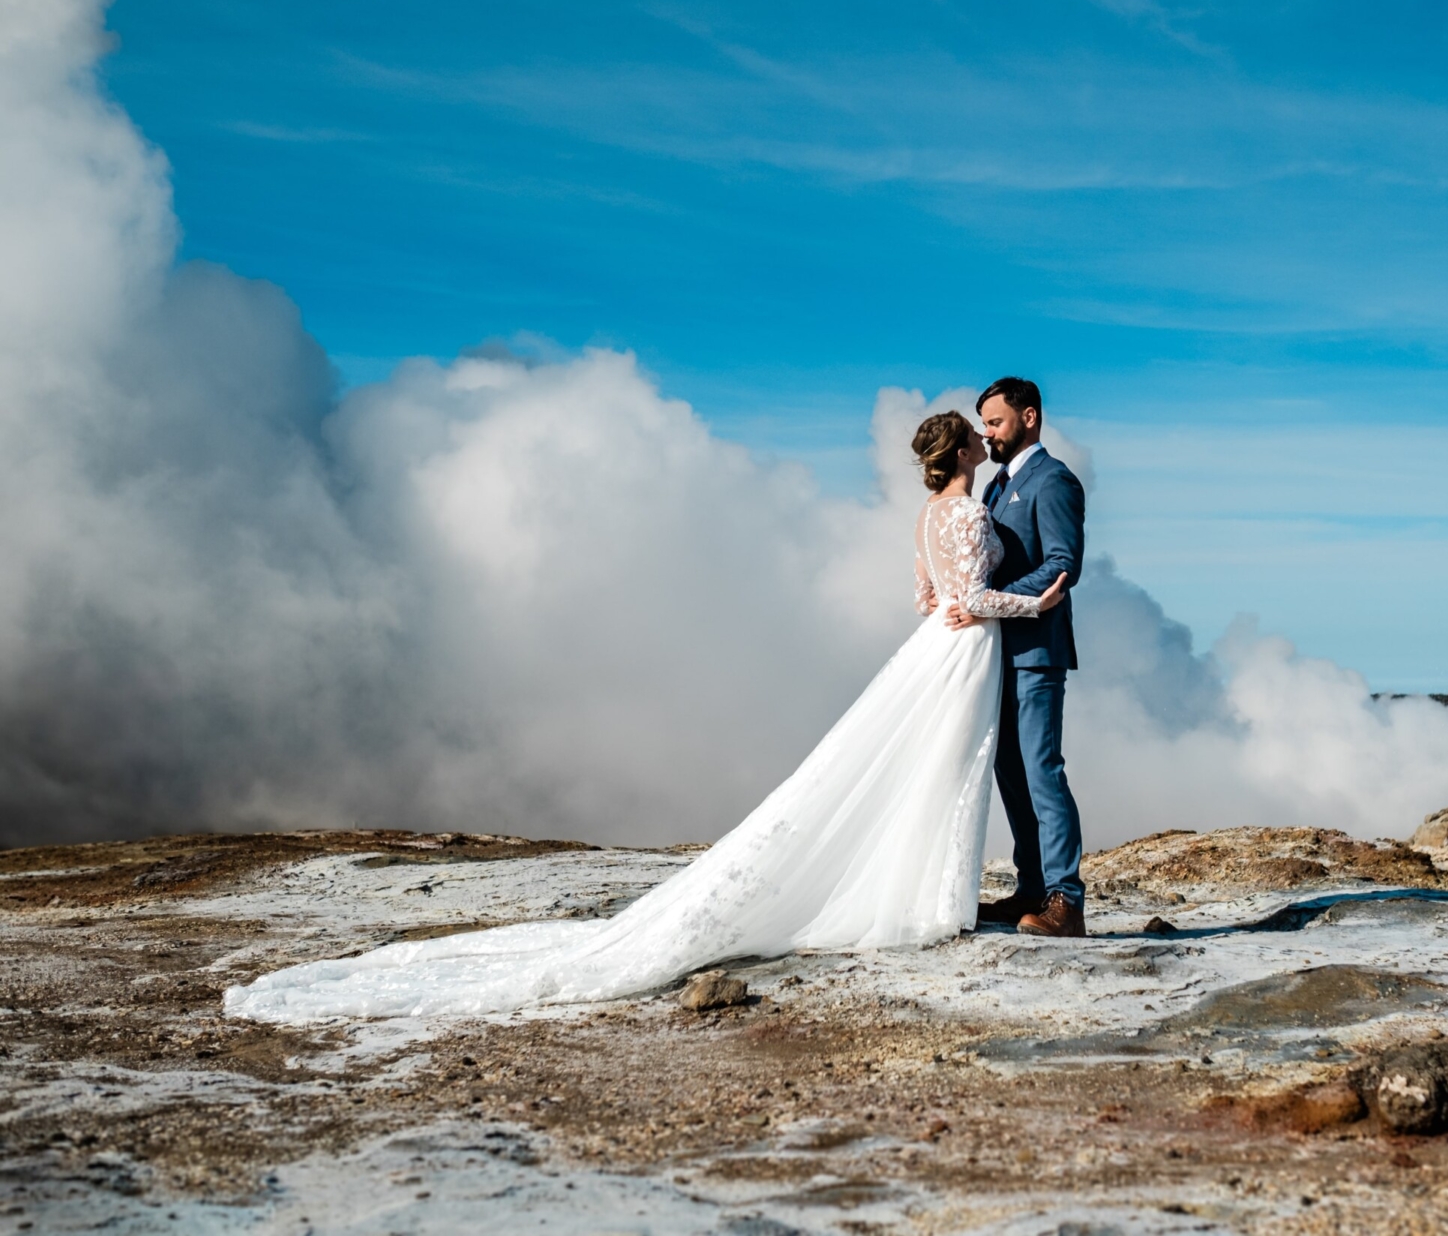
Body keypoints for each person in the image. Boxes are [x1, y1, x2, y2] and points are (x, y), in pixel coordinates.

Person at [223, 411, 1067, 1022]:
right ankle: (927, 899)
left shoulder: (933, 515)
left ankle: (940, 894)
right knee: (938, 769)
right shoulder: (962, 511)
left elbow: (927, 597)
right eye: (975, 433)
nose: (982, 441)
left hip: (947, 647)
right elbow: (962, 598)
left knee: (935, 768)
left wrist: (965, 609)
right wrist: (1033, 604)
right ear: (958, 450)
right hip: (966, 650)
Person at [946, 377, 1089, 938]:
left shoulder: (1053, 480)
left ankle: (1066, 901)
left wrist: (989, 607)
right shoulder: (994, 488)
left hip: (1035, 652)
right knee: (1009, 773)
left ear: (1029, 417)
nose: (988, 434)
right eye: (984, 425)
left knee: (1042, 771)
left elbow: (1062, 565)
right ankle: (1030, 888)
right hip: (992, 652)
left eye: (996, 422)